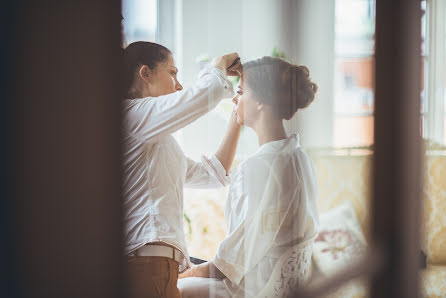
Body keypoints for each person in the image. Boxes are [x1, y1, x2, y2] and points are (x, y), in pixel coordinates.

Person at [178, 56, 320, 298]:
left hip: (249, 291)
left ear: (262, 102)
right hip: (279, 287)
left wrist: (185, 274)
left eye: (241, 92)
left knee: (171, 289)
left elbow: (227, 266)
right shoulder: (300, 158)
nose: (235, 99)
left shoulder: (257, 168)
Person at [122, 41, 242, 298]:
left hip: (159, 265)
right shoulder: (131, 116)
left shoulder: (157, 140)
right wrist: (217, 65)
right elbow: (200, 96)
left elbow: (214, 175)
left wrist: (238, 111)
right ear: (146, 74)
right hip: (146, 265)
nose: (178, 85)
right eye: (173, 73)